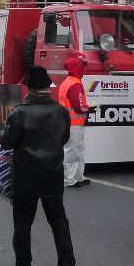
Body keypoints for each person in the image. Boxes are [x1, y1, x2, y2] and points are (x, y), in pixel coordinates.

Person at [0, 65, 79, 266]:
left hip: (25, 176)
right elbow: (64, 138)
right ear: (47, 87)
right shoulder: (61, 112)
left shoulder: (19, 113)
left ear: (29, 88)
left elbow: (7, 142)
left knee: (23, 223)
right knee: (59, 221)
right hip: (53, 174)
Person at [60, 54, 91, 187]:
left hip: (69, 122)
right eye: (82, 66)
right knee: (73, 150)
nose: (84, 69)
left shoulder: (67, 81)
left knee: (75, 149)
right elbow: (79, 107)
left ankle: (78, 177)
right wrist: (89, 108)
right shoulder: (75, 84)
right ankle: (70, 179)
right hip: (74, 123)